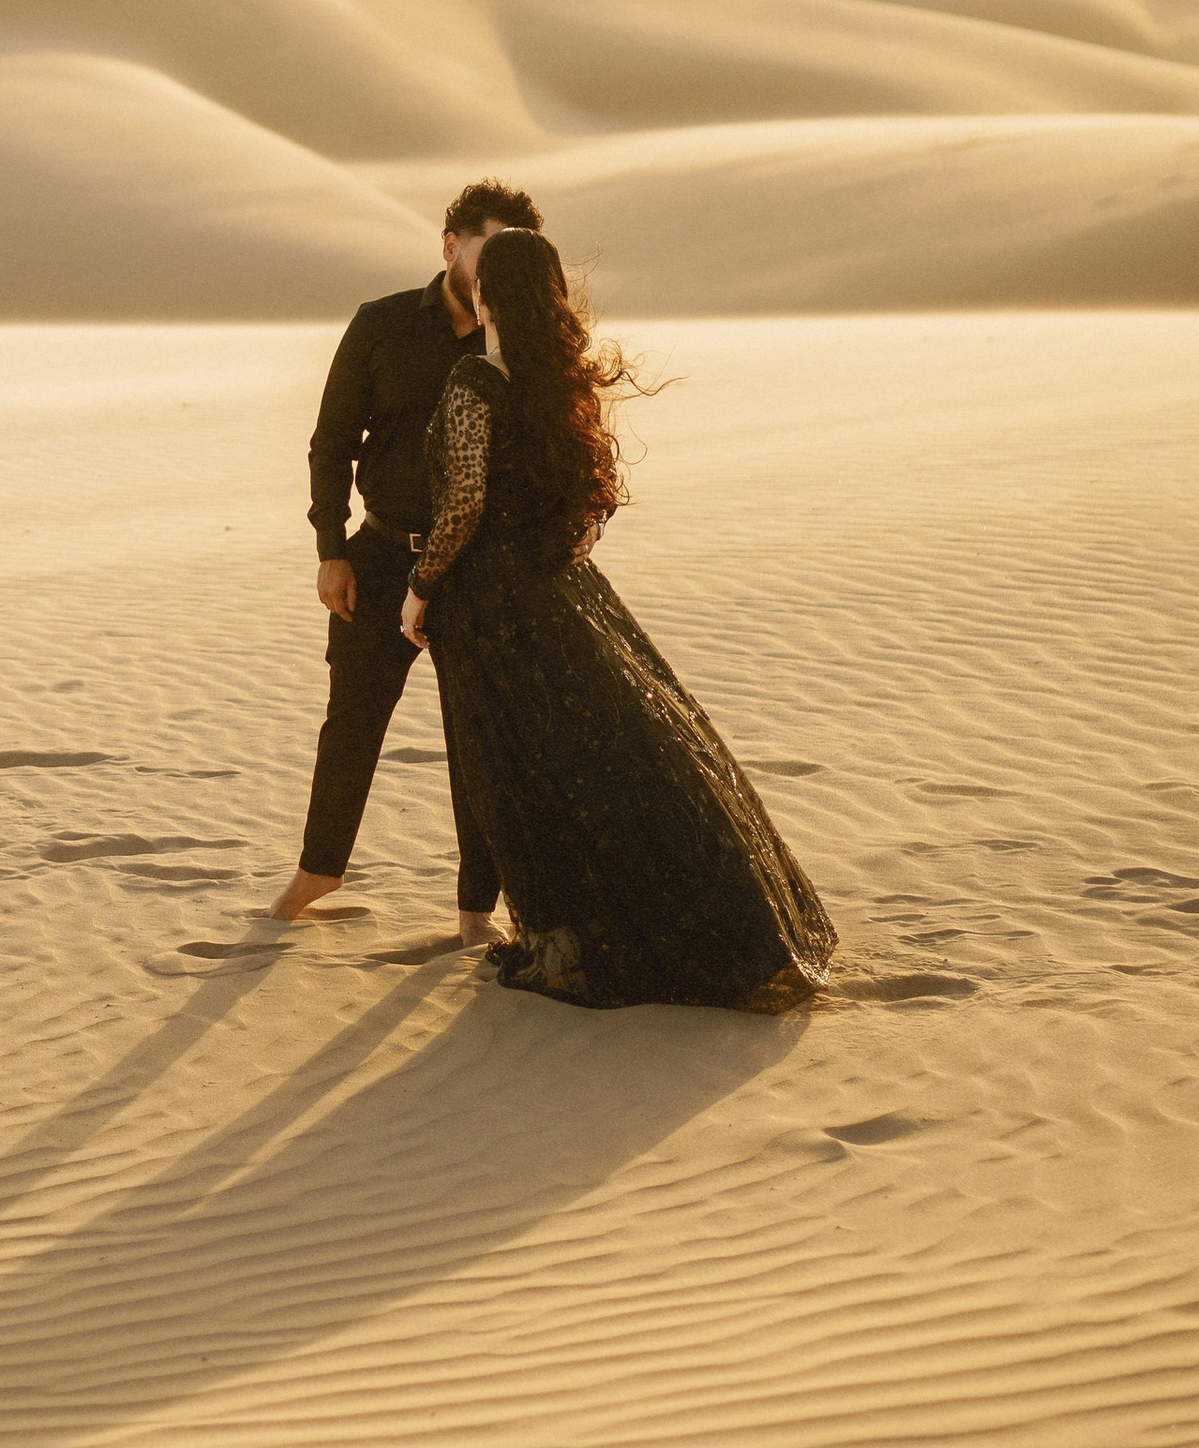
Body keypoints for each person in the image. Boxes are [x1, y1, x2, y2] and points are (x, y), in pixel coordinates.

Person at [403, 227, 836, 1010]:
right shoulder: (556, 382)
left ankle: (568, 945)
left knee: (521, 770)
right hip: (564, 590)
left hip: (492, 606)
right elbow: (587, 503)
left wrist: (421, 584)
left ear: (489, 296)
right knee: (614, 758)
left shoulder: (475, 381)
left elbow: (463, 502)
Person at [264, 182, 542, 935]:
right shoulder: (381, 325)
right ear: (450, 244)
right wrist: (331, 551)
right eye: (486, 250)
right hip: (382, 556)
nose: (493, 272)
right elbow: (332, 444)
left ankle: (474, 909)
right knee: (350, 724)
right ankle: (316, 873)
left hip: (479, 571)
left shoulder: (522, 342)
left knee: (476, 741)